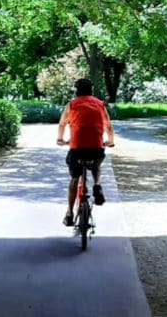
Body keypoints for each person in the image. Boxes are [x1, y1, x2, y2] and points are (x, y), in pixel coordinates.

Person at [57, 78, 115, 227]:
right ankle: (96, 185)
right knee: (96, 164)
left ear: (77, 91)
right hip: (95, 148)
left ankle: (69, 214)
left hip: (77, 149)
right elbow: (108, 125)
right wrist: (110, 141)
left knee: (75, 179)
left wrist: (60, 139)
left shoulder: (72, 105)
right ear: (91, 90)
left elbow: (63, 123)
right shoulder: (100, 104)